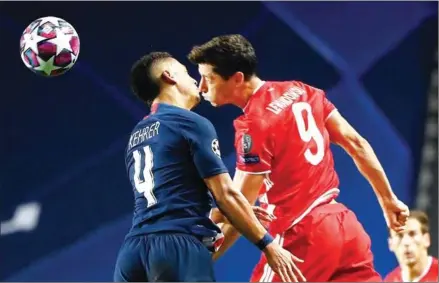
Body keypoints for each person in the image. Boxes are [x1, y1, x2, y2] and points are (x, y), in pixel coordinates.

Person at [187, 34, 410, 282]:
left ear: (237, 78)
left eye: (209, 78)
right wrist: (388, 200)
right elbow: (356, 143)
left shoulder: (254, 127)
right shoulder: (302, 90)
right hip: (345, 227)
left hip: (303, 237)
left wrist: (199, 261)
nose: (201, 88)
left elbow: (239, 212)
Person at [113, 52, 304, 282]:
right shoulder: (191, 123)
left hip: (131, 255)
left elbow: (163, 204)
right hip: (177, 249)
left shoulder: (137, 136)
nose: (195, 80)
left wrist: (224, 213)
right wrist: (269, 246)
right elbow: (226, 194)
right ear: (169, 76)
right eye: (185, 72)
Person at [385, 210, 438, 282]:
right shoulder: (389, 280)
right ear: (390, 244)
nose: (406, 242)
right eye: (399, 236)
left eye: (412, 234)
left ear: (426, 239)